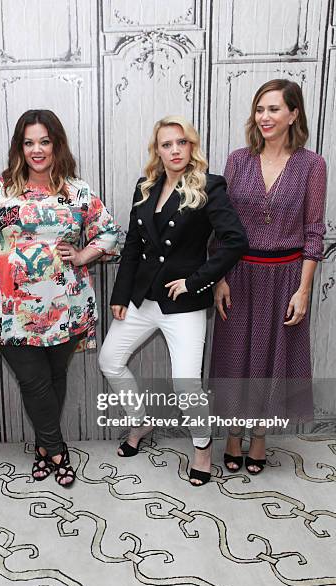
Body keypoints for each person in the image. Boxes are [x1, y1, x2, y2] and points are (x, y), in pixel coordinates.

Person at [0, 109, 118, 487]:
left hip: (67, 306)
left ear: (56, 145)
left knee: (54, 377)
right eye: (29, 142)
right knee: (34, 382)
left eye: (44, 141)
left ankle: (42, 449)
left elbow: (109, 233)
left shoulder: (77, 190)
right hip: (9, 309)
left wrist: (84, 255)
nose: (37, 150)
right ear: (20, 147)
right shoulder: (0, 189)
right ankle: (58, 449)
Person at [98, 115, 248, 486]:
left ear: (191, 146)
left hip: (184, 305)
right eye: (167, 144)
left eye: (181, 142)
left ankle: (201, 448)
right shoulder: (145, 186)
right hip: (142, 298)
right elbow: (132, 245)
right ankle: (140, 421)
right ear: (158, 150)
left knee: (185, 383)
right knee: (109, 360)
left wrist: (197, 282)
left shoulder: (210, 187)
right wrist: (120, 295)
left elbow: (235, 241)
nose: (175, 150)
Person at [210, 79, 326, 475]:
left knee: (271, 362)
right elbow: (222, 224)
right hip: (239, 275)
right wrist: (220, 277)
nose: (265, 117)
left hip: (285, 278)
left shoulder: (312, 165)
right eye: (260, 109)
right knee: (232, 361)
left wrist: (304, 289)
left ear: (294, 114)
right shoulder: (238, 160)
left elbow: (314, 231)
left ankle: (259, 438)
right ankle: (231, 436)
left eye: (274, 109)